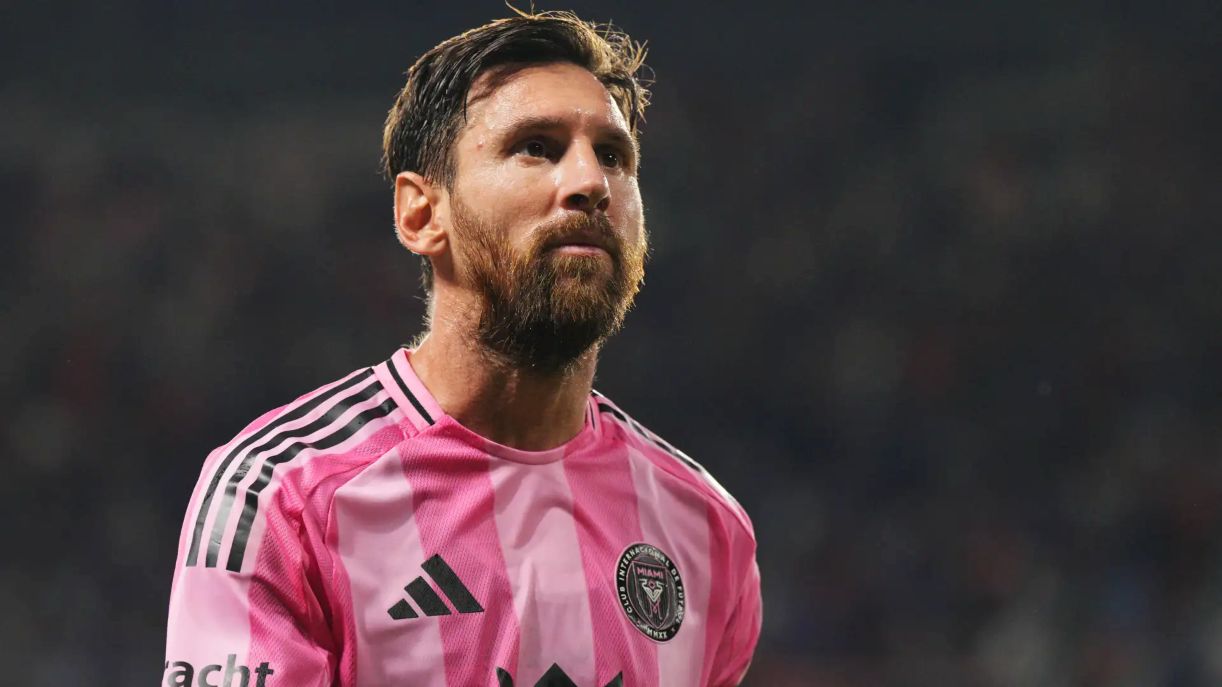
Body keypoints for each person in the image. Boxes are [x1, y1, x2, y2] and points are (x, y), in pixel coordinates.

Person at [163, 10, 761, 687]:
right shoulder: (279, 496)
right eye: (536, 147)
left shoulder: (706, 527)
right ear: (422, 213)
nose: (591, 182)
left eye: (614, 156)